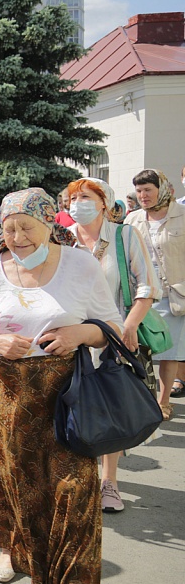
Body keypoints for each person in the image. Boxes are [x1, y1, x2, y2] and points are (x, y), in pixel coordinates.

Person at [0, 187, 122, 584]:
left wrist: (79, 332)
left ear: (50, 224)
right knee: (12, 481)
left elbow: (114, 328)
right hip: (6, 396)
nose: (18, 237)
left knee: (75, 490)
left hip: (67, 399)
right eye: (9, 229)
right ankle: (12, 548)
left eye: (26, 226)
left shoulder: (81, 265)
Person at [66, 177, 161, 513]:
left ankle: (109, 482)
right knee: (76, 407)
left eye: (86, 196)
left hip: (114, 338)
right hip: (71, 339)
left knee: (109, 406)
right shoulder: (61, 240)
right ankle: (80, 478)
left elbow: (146, 287)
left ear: (104, 201)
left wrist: (129, 324)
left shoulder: (123, 236)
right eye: (73, 197)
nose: (78, 203)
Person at [125, 169, 185, 421]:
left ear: (162, 188)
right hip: (143, 291)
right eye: (139, 191)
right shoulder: (132, 220)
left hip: (175, 293)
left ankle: (163, 402)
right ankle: (145, 399)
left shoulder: (181, 216)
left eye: (148, 190)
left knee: (171, 350)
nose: (143, 196)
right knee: (143, 348)